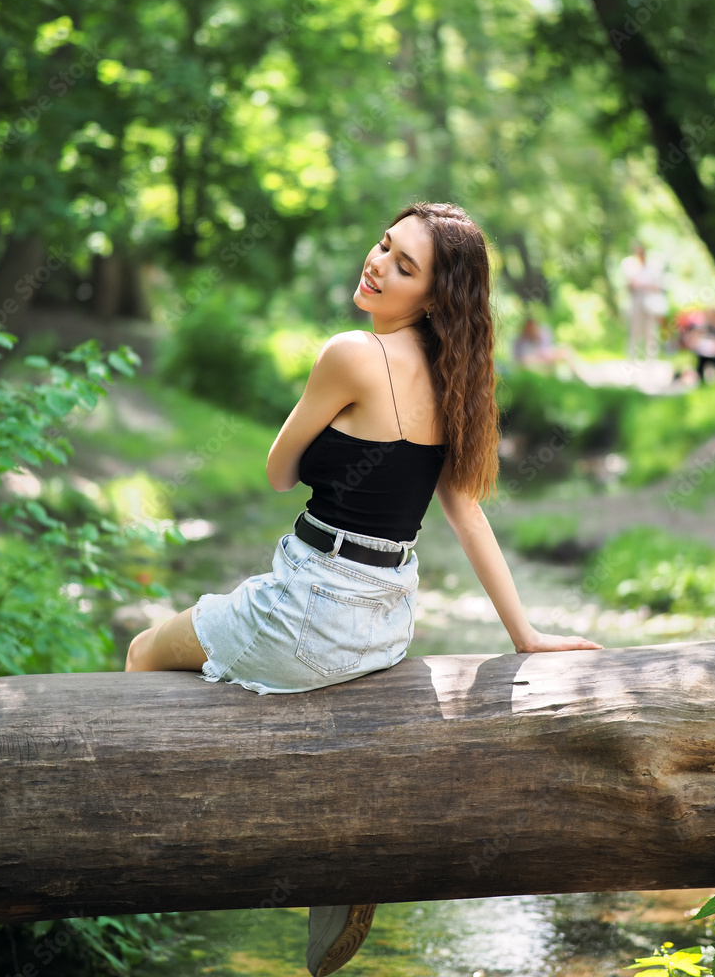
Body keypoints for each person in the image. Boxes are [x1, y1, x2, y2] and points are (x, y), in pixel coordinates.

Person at [125, 202, 602, 976]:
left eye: (403, 265)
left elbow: (278, 473)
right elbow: (467, 516)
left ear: (433, 299)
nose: (377, 262)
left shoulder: (350, 353)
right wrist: (527, 637)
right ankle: (331, 850)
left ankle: (147, 853)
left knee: (147, 653)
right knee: (261, 678)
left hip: (309, 607)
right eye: (385, 244)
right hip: (383, 624)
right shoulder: (457, 379)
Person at [621, 243, 667, 361]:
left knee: (651, 332)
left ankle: (651, 359)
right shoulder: (631, 267)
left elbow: (658, 287)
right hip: (636, 303)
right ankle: (632, 358)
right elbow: (629, 286)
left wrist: (644, 285)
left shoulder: (653, 268)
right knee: (635, 331)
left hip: (650, 304)